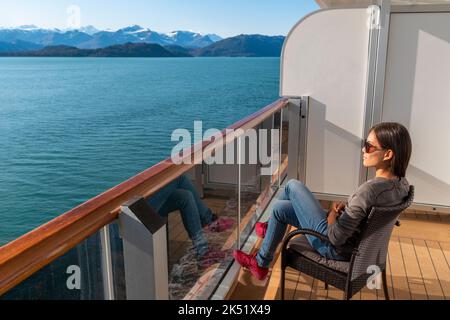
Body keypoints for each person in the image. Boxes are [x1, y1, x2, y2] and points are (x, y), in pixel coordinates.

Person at [233, 122, 412, 280]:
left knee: (292, 186)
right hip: (358, 246)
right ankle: (262, 258)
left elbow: (335, 237)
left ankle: (267, 237)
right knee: (280, 209)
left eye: (369, 146)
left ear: (388, 154)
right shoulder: (402, 185)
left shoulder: (370, 190)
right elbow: (365, 214)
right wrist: (349, 210)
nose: (363, 150)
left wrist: (334, 213)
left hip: (334, 248)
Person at [148, 174, 234, 268]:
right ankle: (208, 220)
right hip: (138, 204)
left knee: (186, 196)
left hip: (148, 191)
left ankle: (203, 252)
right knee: (177, 177)